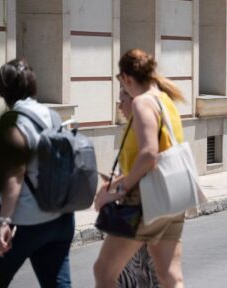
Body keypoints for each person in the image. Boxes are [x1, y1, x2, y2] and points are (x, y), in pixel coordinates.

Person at [93, 49, 185, 288]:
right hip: (173, 197)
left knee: (104, 272)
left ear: (126, 78)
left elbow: (148, 155)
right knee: (169, 276)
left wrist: (117, 188)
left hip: (146, 200)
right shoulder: (166, 101)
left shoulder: (143, 103)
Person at [0, 59, 75, 287]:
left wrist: (4, 221)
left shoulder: (15, 124)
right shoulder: (52, 116)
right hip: (61, 219)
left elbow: (15, 176)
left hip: (28, 223)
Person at [116, 87, 159, 288]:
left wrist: (122, 184)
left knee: (133, 268)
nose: (119, 107)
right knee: (144, 269)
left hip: (142, 206)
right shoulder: (133, 125)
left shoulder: (142, 125)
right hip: (140, 205)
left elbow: (149, 159)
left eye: (121, 100)